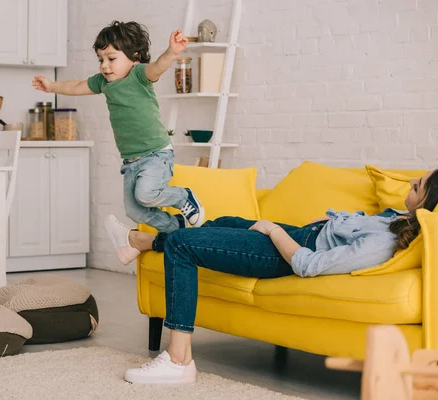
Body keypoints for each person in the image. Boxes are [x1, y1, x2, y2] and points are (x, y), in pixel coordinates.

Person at [104, 169, 438, 384]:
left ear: (427, 201)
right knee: (223, 221)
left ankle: (179, 360)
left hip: (285, 253)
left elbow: (309, 264)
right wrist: (324, 223)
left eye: (418, 184)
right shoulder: (395, 218)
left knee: (182, 244)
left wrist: (273, 230)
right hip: (301, 234)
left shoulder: (385, 242)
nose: (410, 182)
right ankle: (137, 242)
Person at [32, 21, 205, 251]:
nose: (105, 65)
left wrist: (171, 52)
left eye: (111, 58)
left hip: (156, 154)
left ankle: (184, 198)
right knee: (134, 211)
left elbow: (157, 67)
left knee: (146, 194)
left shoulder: (139, 75)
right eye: (101, 59)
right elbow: (78, 85)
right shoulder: (104, 82)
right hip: (131, 161)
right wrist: (52, 86)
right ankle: (176, 227)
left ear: (134, 57)